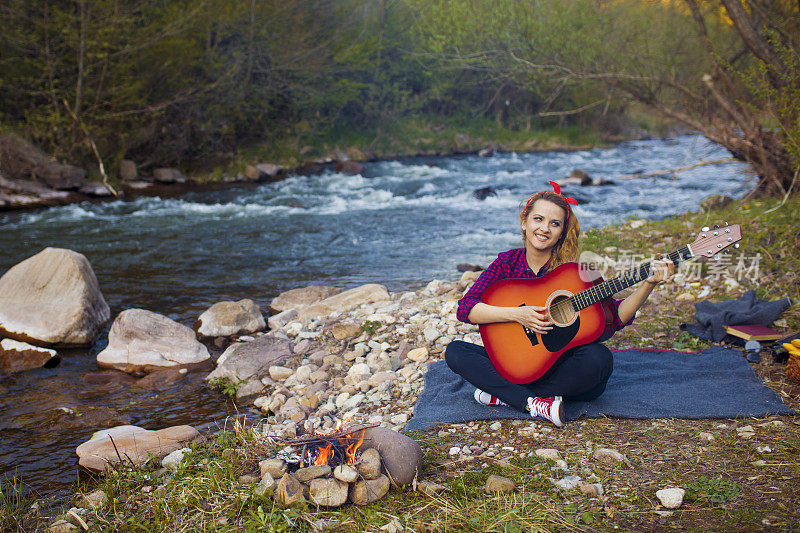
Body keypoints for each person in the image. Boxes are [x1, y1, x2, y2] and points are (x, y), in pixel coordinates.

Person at [445, 182, 675, 427]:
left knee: (599, 361)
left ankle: (505, 395)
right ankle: (532, 402)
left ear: (562, 232)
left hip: (556, 366)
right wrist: (517, 314)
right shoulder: (506, 263)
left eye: (554, 224)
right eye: (538, 219)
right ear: (525, 222)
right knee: (456, 351)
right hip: (513, 361)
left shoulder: (573, 275)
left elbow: (616, 317)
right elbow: (466, 308)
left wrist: (648, 284)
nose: (544, 229)